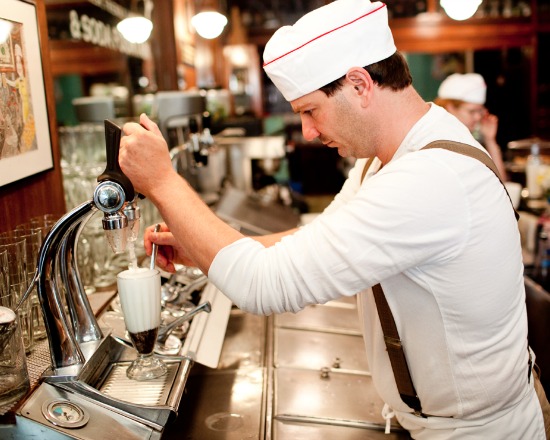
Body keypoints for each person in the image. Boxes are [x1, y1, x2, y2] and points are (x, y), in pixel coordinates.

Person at [118, 0, 547, 438]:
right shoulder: (386, 159)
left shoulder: (429, 178)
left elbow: (265, 285)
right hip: (428, 420)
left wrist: (162, 181)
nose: (307, 131)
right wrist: (202, 249)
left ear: (359, 84)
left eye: (310, 110)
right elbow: (314, 238)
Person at [434, 72, 508, 181]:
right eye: (472, 111)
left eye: (480, 111)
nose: (478, 117)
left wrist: (490, 140)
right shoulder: (438, 138)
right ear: (450, 108)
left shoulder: (473, 138)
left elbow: (501, 184)